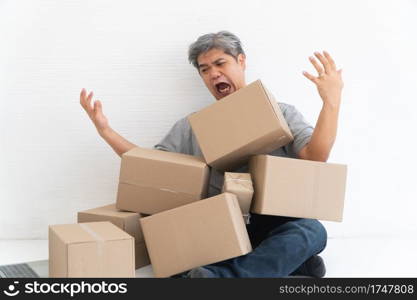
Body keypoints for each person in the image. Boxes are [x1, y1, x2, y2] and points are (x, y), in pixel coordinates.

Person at [79, 31, 344, 278]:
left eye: (220, 64)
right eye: (205, 70)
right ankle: (285, 265)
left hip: (275, 223)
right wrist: (106, 132)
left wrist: (331, 101)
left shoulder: (282, 113)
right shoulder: (193, 125)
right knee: (176, 252)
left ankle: (225, 278)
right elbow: (148, 167)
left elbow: (315, 157)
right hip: (221, 229)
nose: (213, 74)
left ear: (241, 61)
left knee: (311, 231)